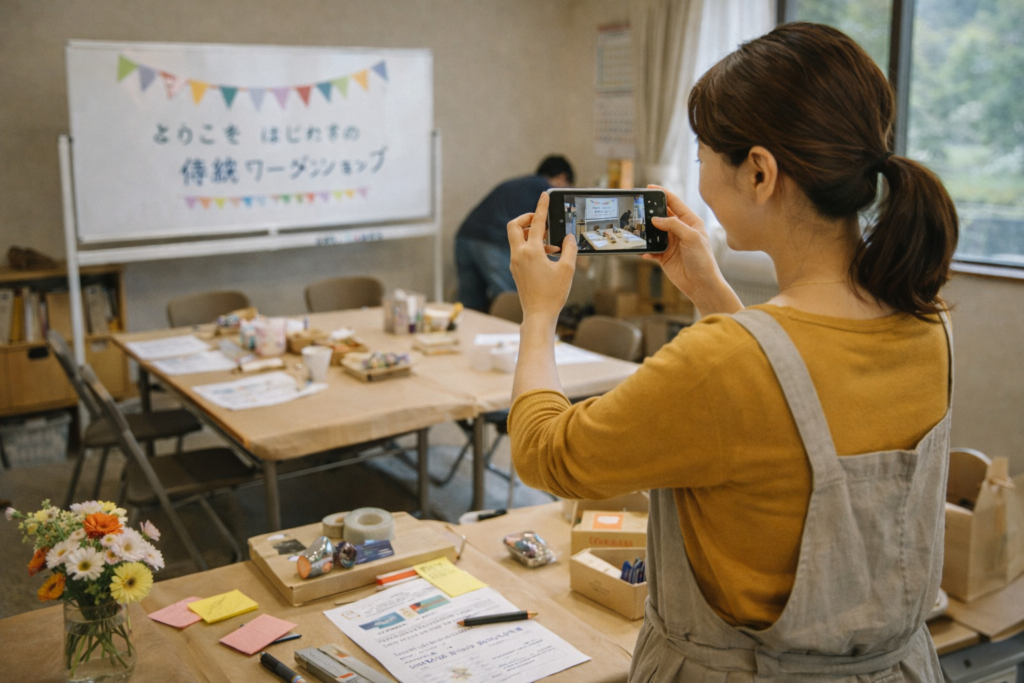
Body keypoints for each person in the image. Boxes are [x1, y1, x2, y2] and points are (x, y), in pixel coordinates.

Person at [506, 23, 957, 683]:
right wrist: (711, 293)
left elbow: (544, 451)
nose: (699, 177)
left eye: (701, 153)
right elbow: (793, 413)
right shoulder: (930, 323)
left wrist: (540, 313)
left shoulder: (723, 360)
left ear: (759, 171)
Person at [455, 156, 573, 312]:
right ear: (561, 178)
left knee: (472, 305)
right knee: (513, 303)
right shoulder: (546, 191)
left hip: (464, 237)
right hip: (491, 243)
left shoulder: (519, 184)